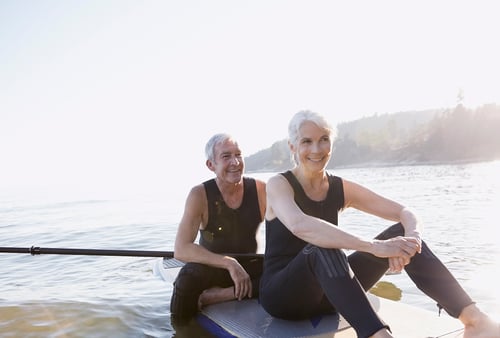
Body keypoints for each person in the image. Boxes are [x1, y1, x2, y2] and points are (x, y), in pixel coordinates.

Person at [259, 110, 499, 338]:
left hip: (331, 292)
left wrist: (411, 241)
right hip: (284, 296)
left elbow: (406, 212)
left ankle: (476, 321)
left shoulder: (339, 187)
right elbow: (300, 225)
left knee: (400, 235)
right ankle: (378, 334)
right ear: (292, 147)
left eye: (323, 139)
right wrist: (374, 246)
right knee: (321, 247)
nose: (316, 149)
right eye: (306, 142)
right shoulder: (279, 184)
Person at [170, 133, 266, 324]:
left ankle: (219, 296)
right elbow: (181, 249)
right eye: (226, 156)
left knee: (284, 270)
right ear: (211, 165)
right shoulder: (199, 195)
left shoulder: (261, 190)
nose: (235, 162)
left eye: (238, 154)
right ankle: (180, 328)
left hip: (249, 267)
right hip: (211, 268)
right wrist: (229, 263)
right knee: (187, 278)